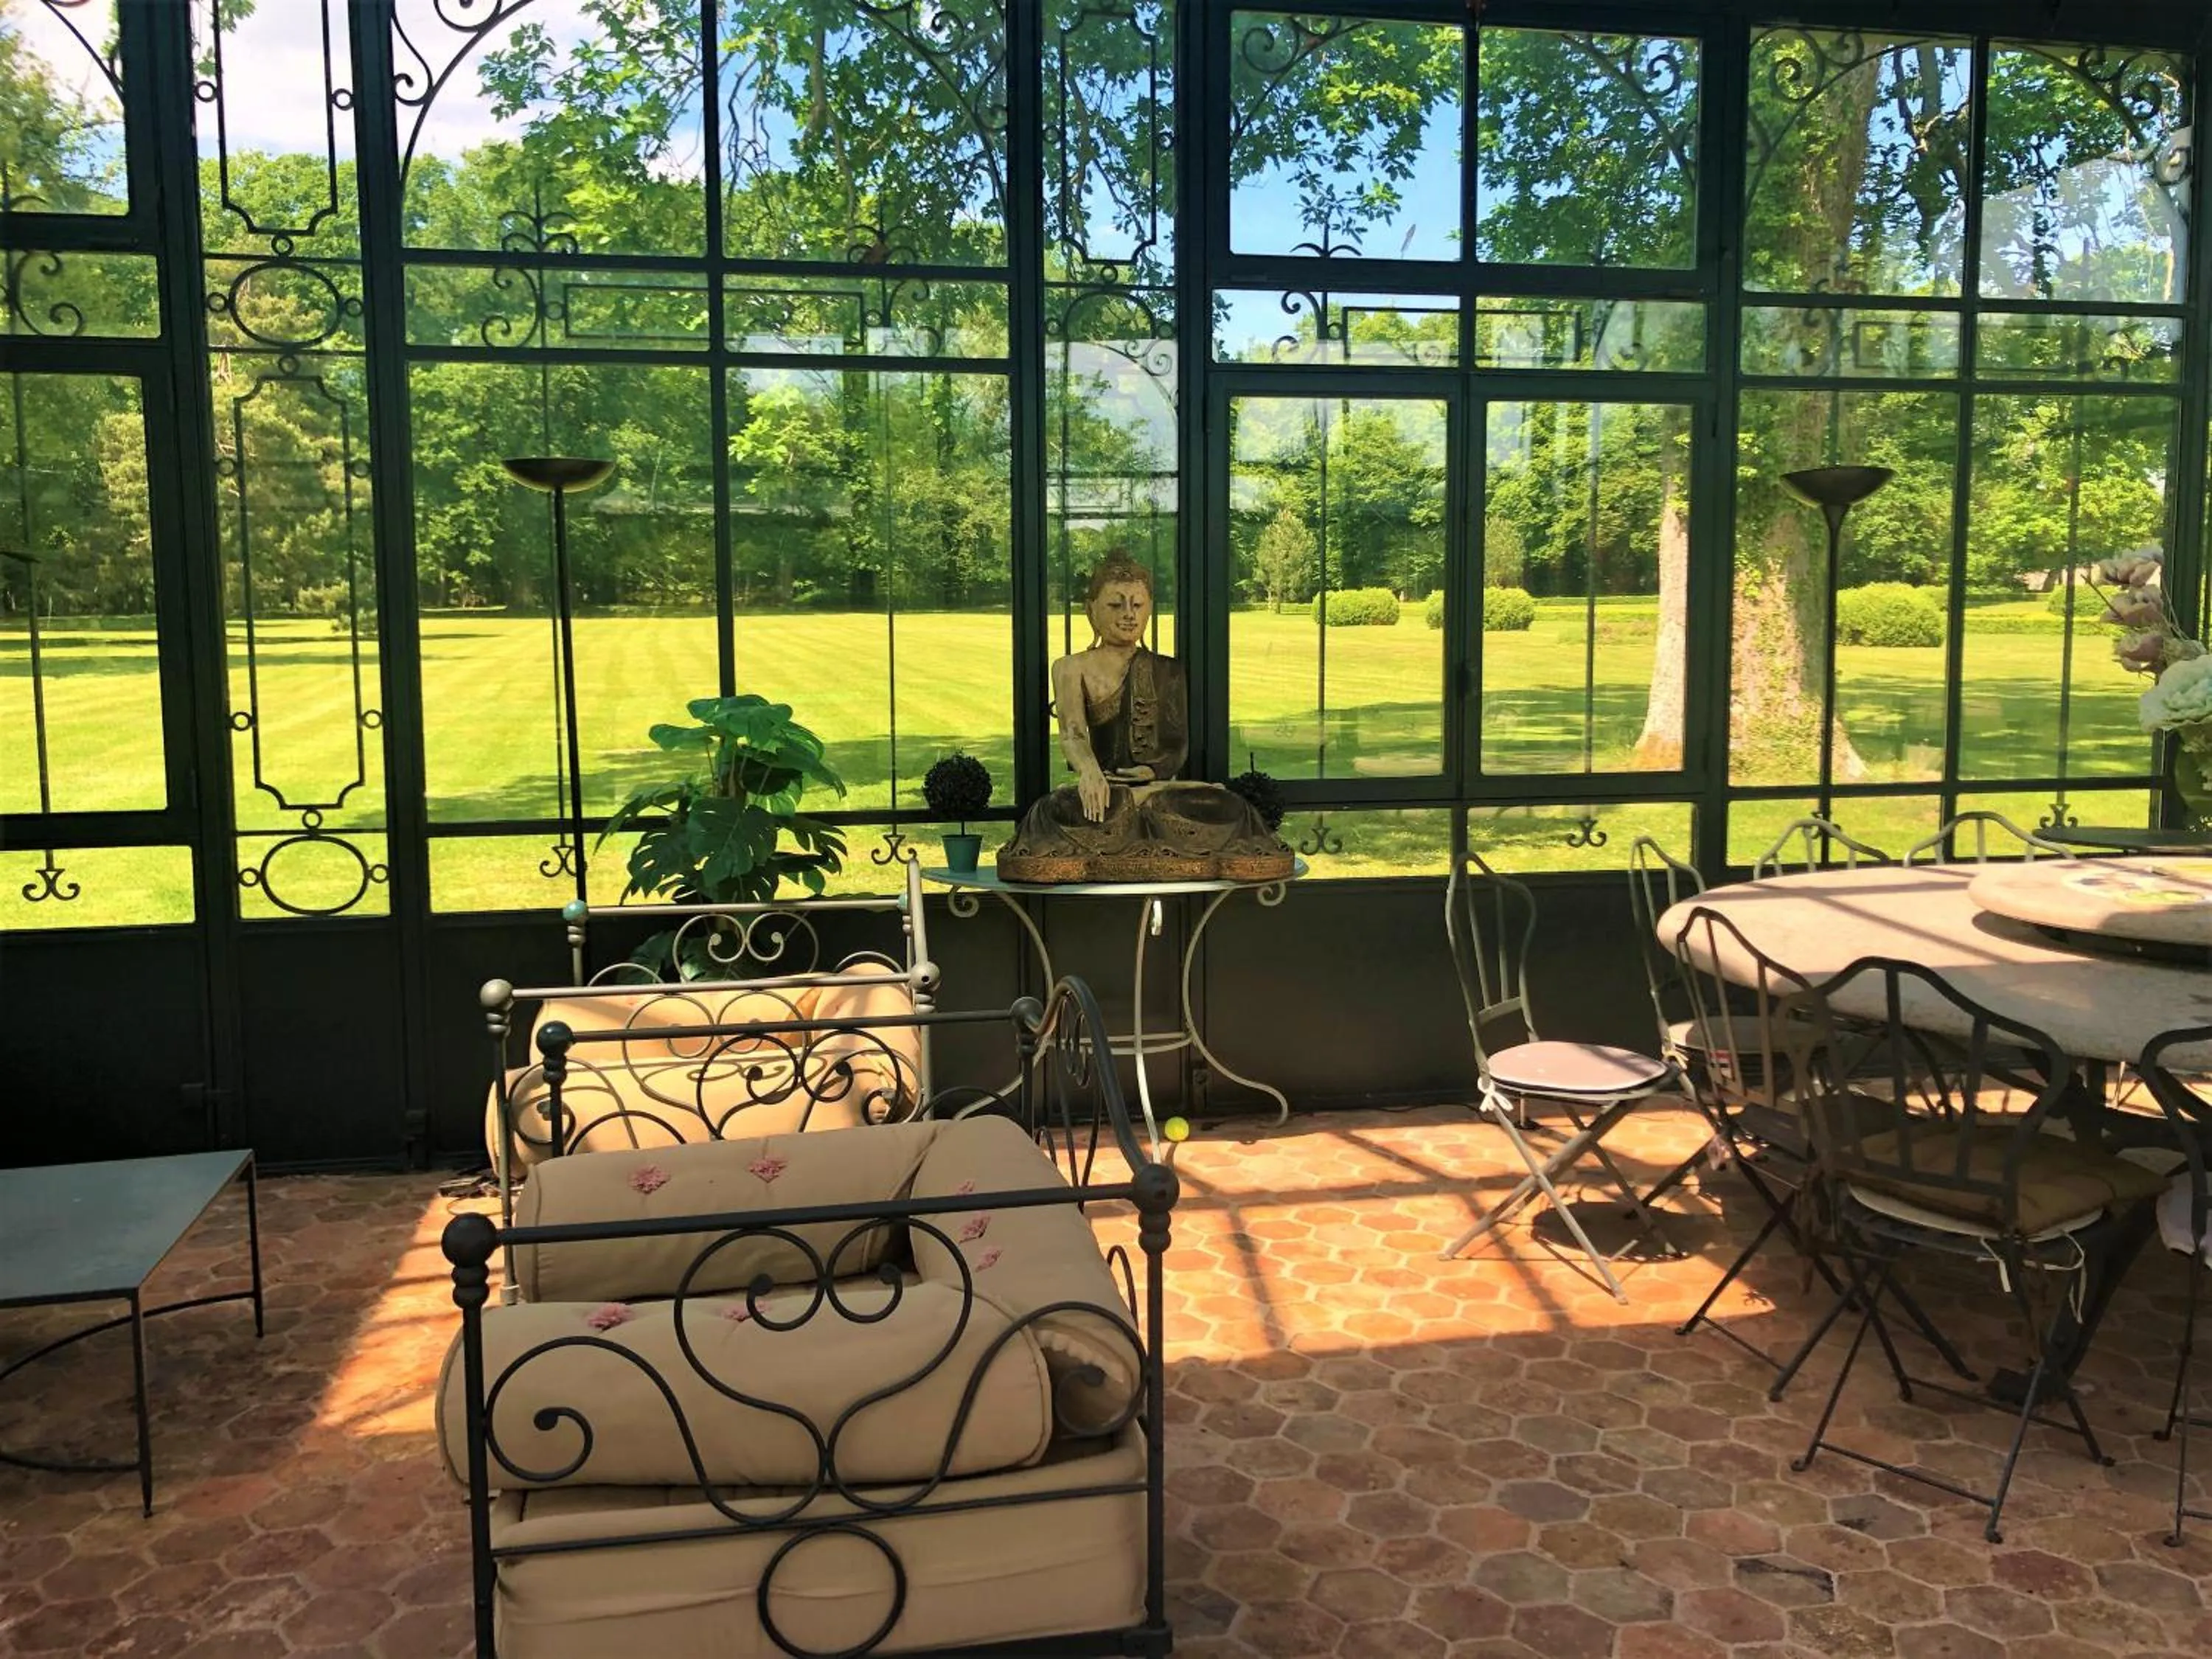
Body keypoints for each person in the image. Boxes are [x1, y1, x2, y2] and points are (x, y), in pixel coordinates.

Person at [997, 554, 1293, 883]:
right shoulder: (1070, 668)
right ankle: (1141, 804)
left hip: (1156, 788)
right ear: (1090, 608)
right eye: (1115, 605)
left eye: (1138, 605)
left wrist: (1152, 772)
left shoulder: (1168, 670)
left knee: (1228, 805)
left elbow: (1176, 743)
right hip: (1106, 791)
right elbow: (1072, 732)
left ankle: (1145, 801)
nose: (1128, 615)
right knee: (1055, 808)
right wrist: (1090, 772)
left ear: (1149, 608)